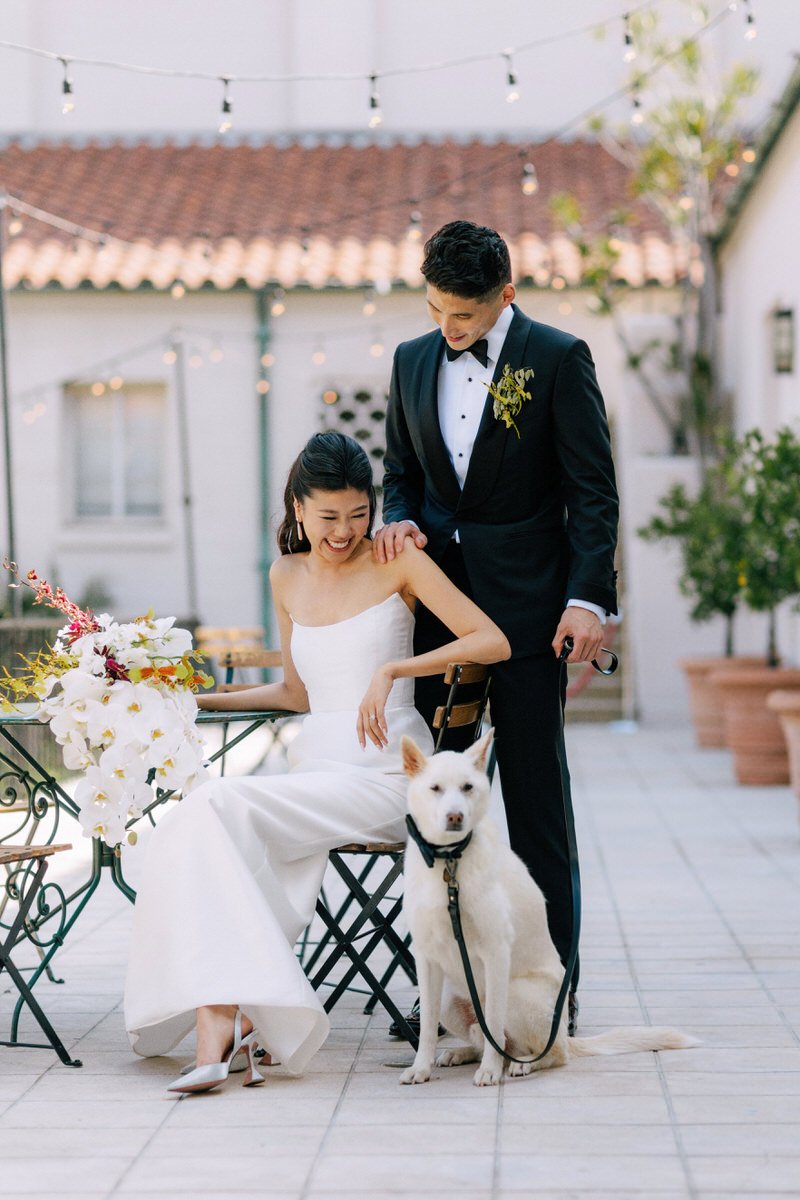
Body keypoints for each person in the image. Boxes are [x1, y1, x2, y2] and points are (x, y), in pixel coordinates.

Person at [124, 430, 509, 1093]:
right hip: (317, 776)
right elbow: (296, 694)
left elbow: (492, 640)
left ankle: (226, 1019)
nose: (345, 531)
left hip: (391, 776)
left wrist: (395, 667)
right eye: (329, 517)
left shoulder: (398, 561)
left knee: (212, 806)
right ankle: (233, 1015)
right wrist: (189, 698)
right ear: (298, 507)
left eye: (359, 514)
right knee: (214, 826)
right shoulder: (284, 574)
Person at [376, 220, 619, 1033]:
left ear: (505, 296)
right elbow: (401, 474)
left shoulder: (557, 358)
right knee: (436, 806)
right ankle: (448, 999)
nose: (449, 328)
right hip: (440, 617)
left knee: (539, 803)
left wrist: (589, 597)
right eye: (439, 310)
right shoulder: (412, 361)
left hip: (527, 616)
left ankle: (552, 993)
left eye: (466, 316)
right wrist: (399, 521)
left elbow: (592, 490)